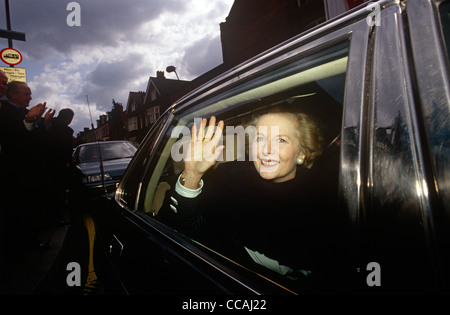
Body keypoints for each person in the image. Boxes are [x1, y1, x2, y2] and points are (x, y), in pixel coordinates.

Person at [158, 102, 346, 292]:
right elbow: (179, 227)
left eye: (281, 140)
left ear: (302, 153)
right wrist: (193, 175)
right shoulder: (229, 184)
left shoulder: (334, 200)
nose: (266, 150)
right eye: (260, 139)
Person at [42, 108, 75, 227]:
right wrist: (67, 161)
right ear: (69, 118)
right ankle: (58, 218)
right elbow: (65, 148)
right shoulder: (65, 130)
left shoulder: (50, 123)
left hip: (47, 164)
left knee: (51, 192)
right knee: (59, 192)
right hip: (59, 166)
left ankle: (51, 217)